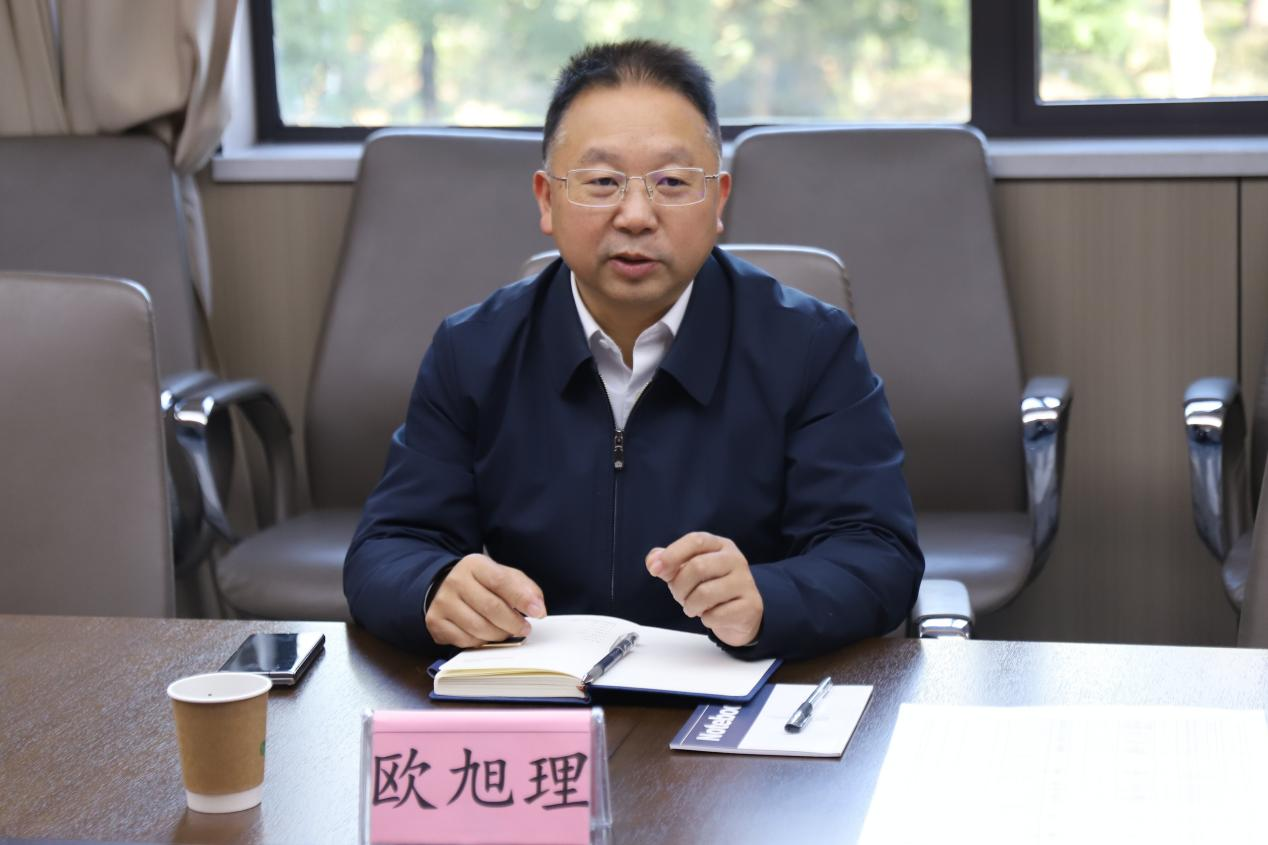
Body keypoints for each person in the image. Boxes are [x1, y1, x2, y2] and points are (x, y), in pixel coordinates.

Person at [344, 39, 923, 660]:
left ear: (719, 200)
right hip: (543, 692)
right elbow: (388, 547)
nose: (637, 215)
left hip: (734, 692)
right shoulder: (474, 350)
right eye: (602, 182)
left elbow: (876, 552)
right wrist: (433, 587)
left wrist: (768, 598)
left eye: (672, 182)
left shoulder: (811, 346)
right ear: (547, 199)